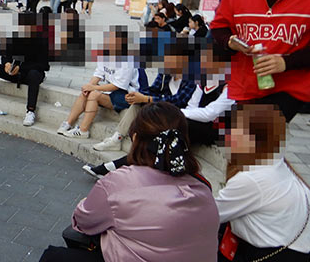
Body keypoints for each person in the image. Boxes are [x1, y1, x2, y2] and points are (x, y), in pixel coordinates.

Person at [26, 102, 218, 262]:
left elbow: (82, 222)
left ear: (135, 138)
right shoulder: (200, 182)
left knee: (53, 261)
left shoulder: (120, 182)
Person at [209, 104, 310, 262]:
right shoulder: (274, 161)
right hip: (291, 260)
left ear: (255, 140)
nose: (226, 138)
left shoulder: (252, 178)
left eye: (234, 133)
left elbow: (206, 215)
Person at [84, 44, 235, 177]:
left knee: (163, 134)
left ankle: (117, 166)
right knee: (155, 131)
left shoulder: (229, 85)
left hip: (210, 128)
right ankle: (119, 163)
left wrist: (170, 113)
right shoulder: (199, 80)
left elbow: (209, 113)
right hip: (187, 118)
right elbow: (190, 106)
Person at [92, 36, 197, 151]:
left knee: (143, 104)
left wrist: (147, 98)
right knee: (137, 103)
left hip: (180, 115)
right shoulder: (166, 72)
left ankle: (136, 145)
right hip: (162, 109)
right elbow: (153, 88)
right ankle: (117, 138)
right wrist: (137, 95)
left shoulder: (192, 77)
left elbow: (179, 100)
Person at [58, 27, 138, 138]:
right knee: (86, 92)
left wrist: (93, 88)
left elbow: (117, 86)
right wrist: (89, 86)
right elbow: (98, 75)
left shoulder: (128, 60)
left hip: (126, 95)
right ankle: (68, 123)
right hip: (110, 92)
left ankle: (83, 130)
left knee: (94, 93)